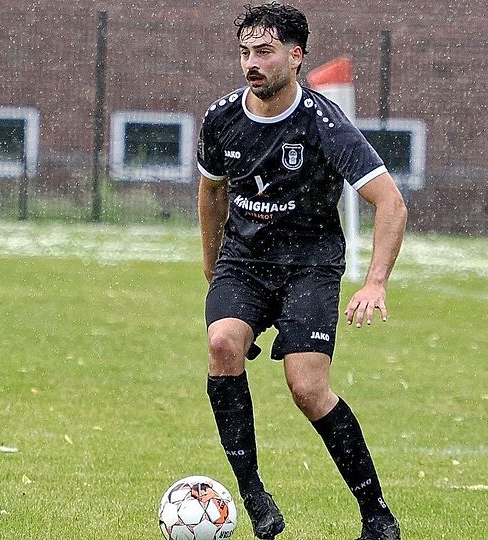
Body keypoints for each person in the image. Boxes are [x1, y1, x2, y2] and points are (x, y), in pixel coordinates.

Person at [197, 3, 406, 539]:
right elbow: (211, 190)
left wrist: (376, 280)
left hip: (309, 267)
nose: (252, 63)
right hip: (243, 265)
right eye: (245, 52)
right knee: (222, 343)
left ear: (295, 55)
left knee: (307, 387)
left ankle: (376, 514)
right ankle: (254, 497)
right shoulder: (221, 119)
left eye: (264, 52)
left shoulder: (324, 122)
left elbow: (391, 203)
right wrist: (213, 271)